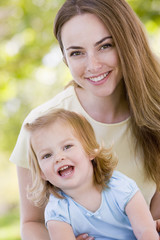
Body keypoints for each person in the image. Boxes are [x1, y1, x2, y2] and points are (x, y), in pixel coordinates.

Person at [10, 0, 160, 239]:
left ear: (128, 43)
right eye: (77, 52)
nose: (93, 65)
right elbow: (32, 222)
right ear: (65, 59)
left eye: (105, 46)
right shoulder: (39, 127)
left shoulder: (155, 109)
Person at [25, 108, 159, 240]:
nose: (59, 157)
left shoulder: (120, 187)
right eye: (47, 155)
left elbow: (145, 231)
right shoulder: (57, 211)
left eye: (67, 147)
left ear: (90, 151)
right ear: (42, 173)